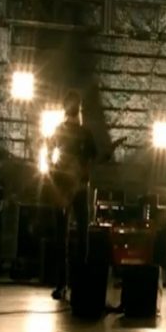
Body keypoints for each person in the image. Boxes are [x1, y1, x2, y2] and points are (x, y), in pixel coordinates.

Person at [50, 91, 97, 301]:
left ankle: (62, 283)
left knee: (62, 236)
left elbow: (48, 155)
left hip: (63, 187)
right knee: (82, 234)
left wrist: (56, 176)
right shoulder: (85, 133)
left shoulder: (59, 131)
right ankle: (80, 282)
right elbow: (93, 158)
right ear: (79, 109)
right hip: (77, 188)